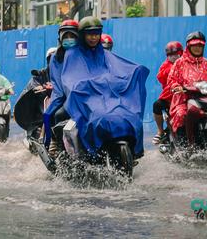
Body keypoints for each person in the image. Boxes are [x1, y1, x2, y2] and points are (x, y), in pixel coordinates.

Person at [45, 16, 149, 159]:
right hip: (81, 97)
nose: (93, 37)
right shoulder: (70, 55)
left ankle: (130, 151)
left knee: (128, 116)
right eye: (89, 34)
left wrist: (132, 73)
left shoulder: (104, 54)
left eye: (96, 34)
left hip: (104, 96)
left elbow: (117, 70)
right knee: (58, 115)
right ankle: (63, 149)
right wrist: (79, 88)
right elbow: (69, 79)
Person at [167, 31, 207, 148]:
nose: (198, 48)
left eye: (200, 46)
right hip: (184, 98)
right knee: (181, 114)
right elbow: (172, 79)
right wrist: (176, 86)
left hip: (206, 98)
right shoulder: (180, 63)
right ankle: (183, 145)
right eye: (195, 46)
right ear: (189, 47)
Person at [44, 19, 79, 156]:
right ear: (60, 37)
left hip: (86, 97)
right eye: (66, 36)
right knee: (53, 114)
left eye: (72, 36)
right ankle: (56, 142)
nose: (69, 40)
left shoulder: (84, 54)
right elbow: (58, 81)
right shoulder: (56, 58)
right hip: (65, 97)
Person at [152, 41, 183, 144]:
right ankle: (160, 131)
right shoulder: (166, 65)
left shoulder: (187, 64)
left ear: (181, 53)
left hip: (185, 96)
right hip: (170, 97)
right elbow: (160, 77)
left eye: (175, 54)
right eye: (170, 55)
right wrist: (172, 69)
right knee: (157, 105)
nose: (173, 57)